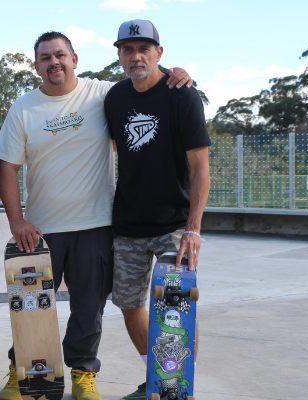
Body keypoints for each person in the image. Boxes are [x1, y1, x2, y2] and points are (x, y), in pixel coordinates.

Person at [0, 31, 191, 400]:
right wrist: (16, 220)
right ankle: (23, 375)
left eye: (60, 55)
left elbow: (144, 80)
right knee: (31, 308)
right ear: (36, 66)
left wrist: (175, 73)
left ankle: (84, 374)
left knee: (89, 309)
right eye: (45, 57)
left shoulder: (103, 94)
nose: (54, 62)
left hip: (97, 224)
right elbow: (8, 167)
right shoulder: (24, 107)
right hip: (41, 229)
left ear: (74, 59)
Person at [103, 19, 210, 400]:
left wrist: (193, 229)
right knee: (129, 305)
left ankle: (176, 387)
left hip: (173, 225)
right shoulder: (115, 98)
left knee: (176, 309)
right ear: (120, 55)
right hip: (128, 224)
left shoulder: (182, 96)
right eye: (128, 50)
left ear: (159, 53)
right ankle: (158, 379)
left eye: (144, 49)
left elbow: (200, 166)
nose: (136, 56)